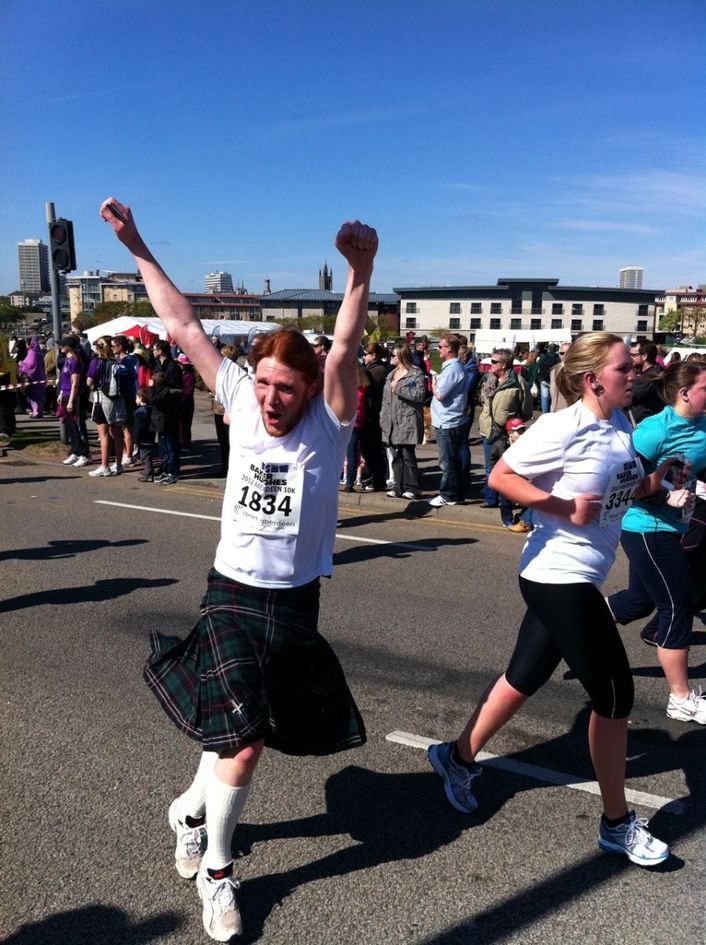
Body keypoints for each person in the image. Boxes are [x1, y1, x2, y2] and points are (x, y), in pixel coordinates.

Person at [101, 196, 375, 941]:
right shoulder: (240, 402)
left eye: (285, 387)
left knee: (239, 728)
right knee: (244, 740)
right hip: (231, 591)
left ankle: (188, 811)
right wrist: (136, 243)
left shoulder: (330, 419)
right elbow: (183, 322)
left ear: (310, 388)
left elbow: (346, 346)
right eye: (262, 383)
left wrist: (360, 271)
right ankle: (220, 872)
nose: (270, 398)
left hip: (294, 601)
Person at [428, 332, 671, 867]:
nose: (634, 374)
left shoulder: (619, 424)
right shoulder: (562, 426)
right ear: (592, 380)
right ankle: (616, 824)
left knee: (524, 678)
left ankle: (456, 757)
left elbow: (612, 492)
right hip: (558, 575)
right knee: (614, 698)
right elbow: (500, 476)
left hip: (576, 574)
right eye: (623, 368)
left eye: (632, 366)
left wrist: (653, 482)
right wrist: (560, 507)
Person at [607, 359, 706, 723]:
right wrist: (664, 496)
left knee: (636, 602)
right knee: (677, 606)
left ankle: (571, 626)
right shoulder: (654, 431)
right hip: (646, 527)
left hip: (676, 527)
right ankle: (680, 698)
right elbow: (621, 482)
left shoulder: (703, 426)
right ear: (684, 393)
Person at [478, 349, 526, 509]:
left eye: (493, 362)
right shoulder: (488, 380)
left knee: (509, 469)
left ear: (504, 365)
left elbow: (526, 410)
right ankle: (490, 498)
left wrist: (514, 428)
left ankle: (509, 499)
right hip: (488, 430)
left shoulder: (518, 383)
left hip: (507, 434)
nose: (489, 364)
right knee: (490, 467)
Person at [379, 342, 425, 499]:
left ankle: (411, 488)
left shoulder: (415, 373)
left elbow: (419, 395)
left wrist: (398, 388)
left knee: (407, 454)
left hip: (407, 421)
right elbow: (385, 400)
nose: (390, 357)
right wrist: (383, 417)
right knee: (395, 455)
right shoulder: (391, 374)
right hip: (390, 421)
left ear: (401, 356)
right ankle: (397, 487)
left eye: (393, 355)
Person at [428, 332, 467, 507]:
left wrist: (435, 381)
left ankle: (448, 494)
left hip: (448, 420)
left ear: (449, 349)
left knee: (447, 461)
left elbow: (440, 394)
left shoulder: (453, 369)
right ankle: (454, 493)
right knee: (450, 459)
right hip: (446, 419)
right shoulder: (449, 367)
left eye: (441, 346)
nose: (438, 349)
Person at [86, 336, 127, 477]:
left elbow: (89, 382)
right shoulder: (115, 361)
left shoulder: (96, 362)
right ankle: (119, 464)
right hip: (117, 399)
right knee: (117, 433)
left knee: (103, 434)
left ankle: (104, 465)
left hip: (101, 398)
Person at [58, 336, 91, 467]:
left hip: (74, 397)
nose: (60, 347)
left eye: (62, 345)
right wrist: (61, 393)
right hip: (65, 395)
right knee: (71, 425)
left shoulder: (74, 361)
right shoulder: (66, 360)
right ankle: (75, 451)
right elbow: (64, 379)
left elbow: (75, 383)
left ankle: (85, 454)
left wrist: (71, 400)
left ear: (69, 347)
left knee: (78, 425)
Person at [626, 341, 663, 426]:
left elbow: (623, 396)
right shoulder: (658, 371)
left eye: (633, 355)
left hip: (641, 425)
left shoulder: (648, 378)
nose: (630, 358)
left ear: (644, 356)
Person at [19, 336, 46, 418]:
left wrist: (21, 365)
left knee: (34, 396)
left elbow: (30, 365)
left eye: (27, 343)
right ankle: (39, 411)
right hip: (40, 377)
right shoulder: (39, 353)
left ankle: (36, 412)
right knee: (39, 396)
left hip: (34, 378)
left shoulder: (32, 353)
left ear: (30, 344)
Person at [538, 344, 560, 413]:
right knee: (554, 398)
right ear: (555, 349)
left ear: (548, 349)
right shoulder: (557, 357)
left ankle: (544, 414)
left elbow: (538, 366)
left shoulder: (543, 356)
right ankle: (553, 413)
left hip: (543, 380)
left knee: (544, 399)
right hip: (553, 380)